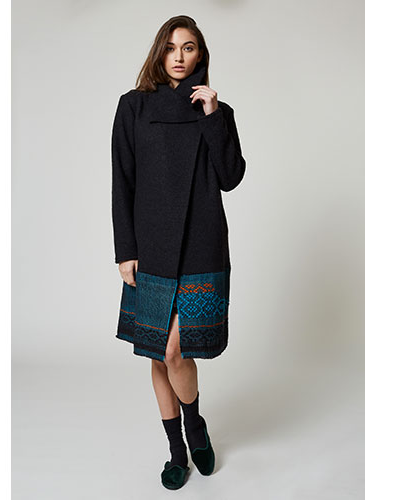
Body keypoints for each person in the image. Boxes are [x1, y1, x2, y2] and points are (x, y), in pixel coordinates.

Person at [111, 15, 246, 490]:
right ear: (159, 52)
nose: (179, 56)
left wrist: (212, 115)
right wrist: (125, 250)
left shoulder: (217, 111)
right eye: (171, 47)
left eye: (189, 48)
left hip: (201, 244)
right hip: (150, 247)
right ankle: (177, 452)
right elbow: (122, 180)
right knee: (157, 354)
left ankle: (195, 425)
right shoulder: (133, 106)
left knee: (175, 350)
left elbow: (231, 176)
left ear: (200, 55)